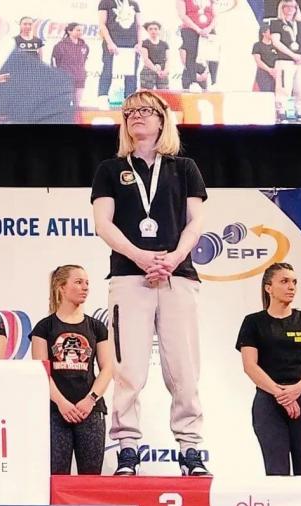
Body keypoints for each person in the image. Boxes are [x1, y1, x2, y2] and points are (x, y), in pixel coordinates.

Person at [91, 90, 210, 476]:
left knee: (183, 366)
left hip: (178, 276)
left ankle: (190, 450)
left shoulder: (184, 167)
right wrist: (140, 258)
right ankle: (128, 449)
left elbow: (195, 223)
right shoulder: (110, 168)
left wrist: (173, 259)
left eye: (145, 111)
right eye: (129, 112)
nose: (136, 117)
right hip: (129, 277)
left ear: (162, 120)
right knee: (129, 366)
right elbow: (103, 224)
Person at [236, 263, 301, 475]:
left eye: (294, 282)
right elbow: (250, 366)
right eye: (284, 281)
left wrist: (296, 390)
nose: (291, 286)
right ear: (269, 288)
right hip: (269, 401)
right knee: (276, 473)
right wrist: (281, 394)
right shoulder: (253, 322)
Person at [31, 265, 114, 475]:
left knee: (91, 478)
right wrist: (61, 403)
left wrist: (91, 399)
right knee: (56, 477)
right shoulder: (44, 327)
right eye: (78, 282)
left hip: (91, 411)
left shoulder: (97, 328)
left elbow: (108, 368)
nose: (85, 287)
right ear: (61, 287)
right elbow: (41, 371)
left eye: (87, 283)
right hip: (55, 412)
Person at [0, 9, 75, 123]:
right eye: (25, 24)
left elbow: (40, 55)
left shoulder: (51, 85)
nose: (27, 26)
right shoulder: (17, 40)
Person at [97, 0, 144, 110]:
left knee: (131, 74)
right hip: (113, 42)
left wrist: (139, 43)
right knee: (108, 70)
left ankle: (130, 100)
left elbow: (139, 25)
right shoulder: (105, 2)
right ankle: (103, 97)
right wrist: (109, 42)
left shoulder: (134, 3)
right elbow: (102, 24)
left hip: (131, 44)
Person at [270, 0, 301, 122]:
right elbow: (276, 42)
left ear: (296, 8)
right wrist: (293, 55)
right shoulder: (276, 23)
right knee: (284, 88)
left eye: (292, 7)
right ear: (282, 8)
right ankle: (281, 113)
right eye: (286, 7)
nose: (289, 9)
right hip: (284, 61)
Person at [177, 0, 219, 91]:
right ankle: (192, 78)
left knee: (212, 56)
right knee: (191, 54)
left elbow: (216, 16)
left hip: (208, 31)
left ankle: (212, 81)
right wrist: (198, 29)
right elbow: (182, 15)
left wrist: (208, 28)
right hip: (190, 29)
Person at [52, 23, 90, 107]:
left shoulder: (85, 46)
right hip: (65, 79)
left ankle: (76, 120)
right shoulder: (60, 46)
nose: (80, 32)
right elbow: (55, 63)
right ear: (69, 31)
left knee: (77, 105)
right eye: (78, 30)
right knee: (64, 104)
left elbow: (84, 60)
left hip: (80, 78)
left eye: (81, 30)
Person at [140, 22, 170, 90]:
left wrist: (165, 70)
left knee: (164, 93)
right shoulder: (144, 43)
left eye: (156, 29)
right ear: (147, 31)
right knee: (145, 94)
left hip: (162, 71)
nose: (153, 31)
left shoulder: (164, 44)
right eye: (150, 29)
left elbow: (168, 59)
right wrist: (156, 70)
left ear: (159, 30)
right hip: (149, 69)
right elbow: (146, 59)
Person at [252, 23, 280, 93]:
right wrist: (269, 70)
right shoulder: (258, 45)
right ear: (263, 33)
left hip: (277, 71)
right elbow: (258, 61)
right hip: (264, 72)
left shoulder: (276, 45)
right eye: (270, 31)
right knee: (266, 92)